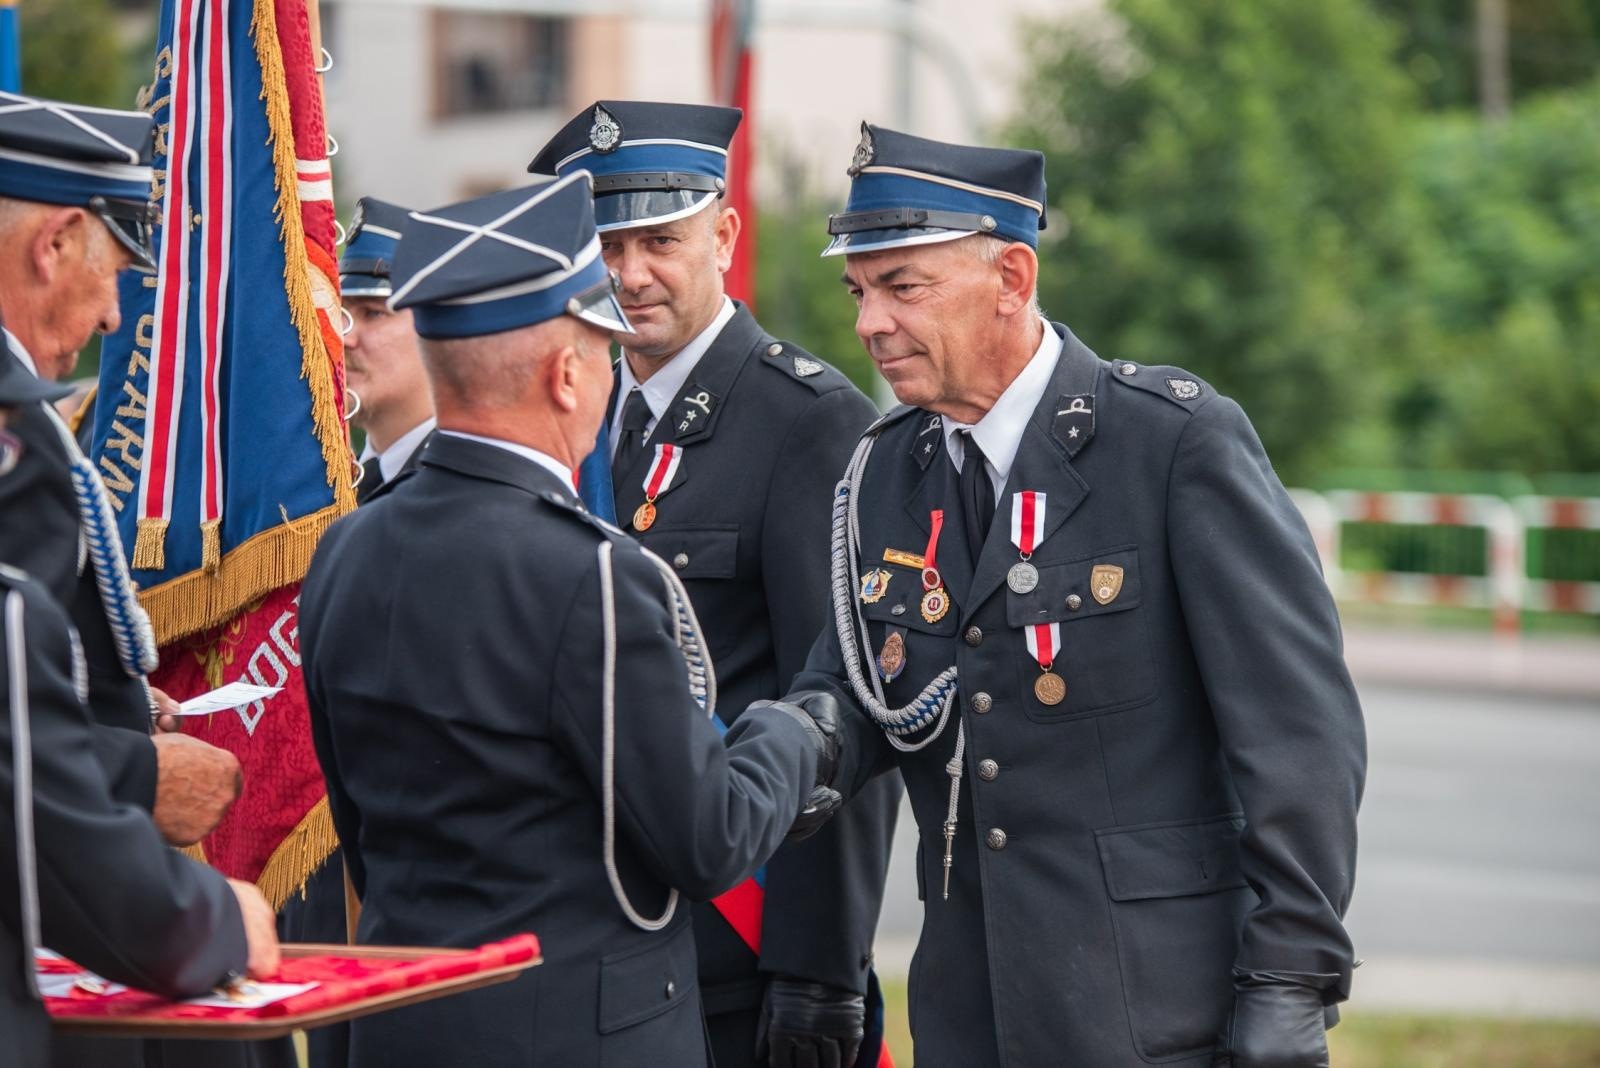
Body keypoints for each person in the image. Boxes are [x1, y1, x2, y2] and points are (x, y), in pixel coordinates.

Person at [782, 124, 1368, 1068]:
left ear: (1012, 278)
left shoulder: (1170, 444)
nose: (869, 324)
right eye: (859, 292)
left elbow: (1299, 734)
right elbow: (857, 686)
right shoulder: (890, 468)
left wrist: (1292, 975)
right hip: (972, 1011)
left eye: (902, 287)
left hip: (1153, 1010)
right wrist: (777, 748)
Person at [297, 170, 841, 1068]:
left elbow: (359, 833)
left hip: (405, 1027)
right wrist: (792, 732)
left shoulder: (344, 550)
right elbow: (708, 840)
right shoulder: (592, 574)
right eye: (600, 352)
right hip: (578, 1034)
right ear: (565, 373)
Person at [529, 101, 901, 1068]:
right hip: (588, 933)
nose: (629, 274)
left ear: (725, 237)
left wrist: (819, 968)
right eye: (607, 245)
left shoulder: (806, 420)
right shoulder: (569, 412)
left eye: (661, 241)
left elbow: (843, 703)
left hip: (735, 943)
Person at [0, 89, 283, 1068]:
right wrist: (142, 780)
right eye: (116, 271)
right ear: (54, 243)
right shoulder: (16, 440)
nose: (117, 313)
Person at [340, 197, 434, 504]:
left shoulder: (464, 490)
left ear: (438, 328)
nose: (343, 336)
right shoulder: (339, 483)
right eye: (341, 313)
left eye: (373, 313)